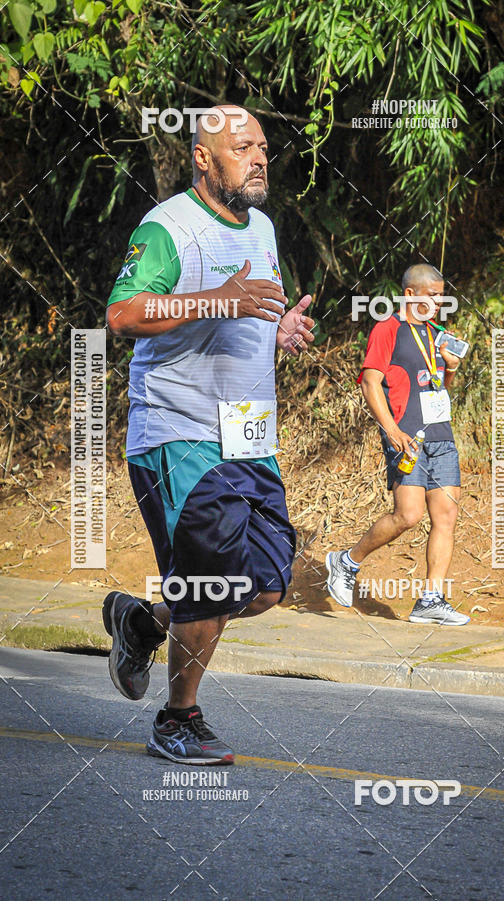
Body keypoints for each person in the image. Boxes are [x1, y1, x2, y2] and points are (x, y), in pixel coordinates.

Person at [103, 104, 314, 765]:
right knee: (210, 578)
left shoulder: (264, 228)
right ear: (202, 157)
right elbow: (122, 314)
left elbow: (248, 314)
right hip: (180, 433)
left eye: (264, 148)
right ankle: (177, 719)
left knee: (267, 582)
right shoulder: (169, 228)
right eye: (242, 148)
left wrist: (278, 331)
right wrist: (221, 299)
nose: (259, 158)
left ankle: (142, 622)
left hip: (250, 438)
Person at [326, 264, 469, 625]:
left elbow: (438, 388)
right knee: (408, 514)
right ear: (410, 294)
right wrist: (391, 431)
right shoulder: (387, 328)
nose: (439, 302)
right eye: (432, 295)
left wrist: (451, 368)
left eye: (442, 295)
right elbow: (369, 382)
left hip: (441, 435)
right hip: (406, 436)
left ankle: (431, 599)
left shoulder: (437, 333)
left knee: (446, 515)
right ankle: (347, 561)